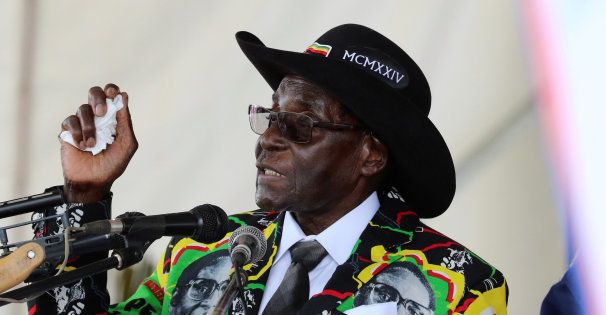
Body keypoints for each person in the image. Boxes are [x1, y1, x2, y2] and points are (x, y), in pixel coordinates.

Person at [29, 24, 508, 314]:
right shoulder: (203, 251)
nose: (270, 140)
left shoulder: (459, 284)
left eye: (300, 124)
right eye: (269, 117)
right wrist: (84, 199)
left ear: (371, 154)